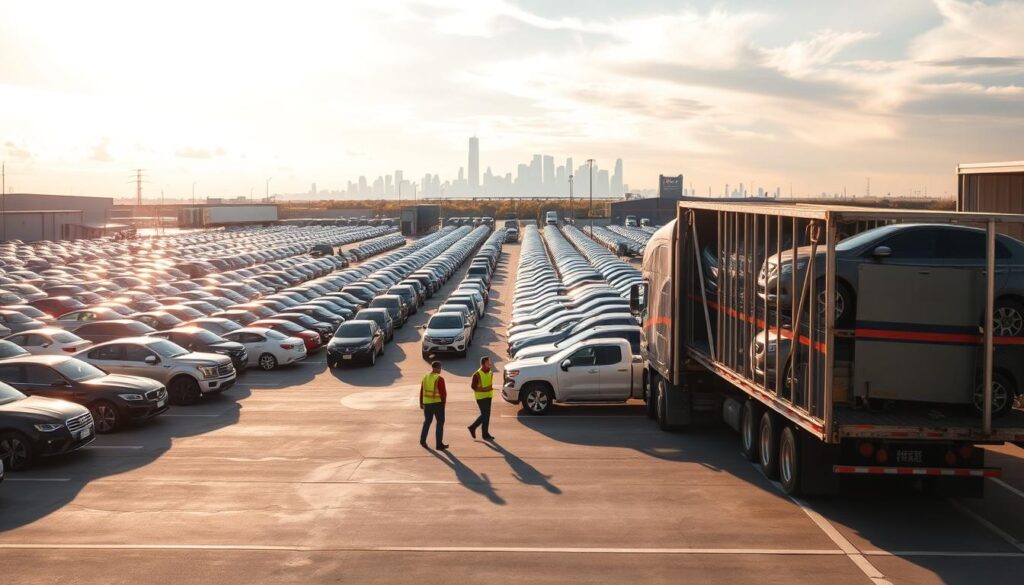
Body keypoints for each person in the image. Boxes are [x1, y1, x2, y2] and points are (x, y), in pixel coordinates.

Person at [420, 360, 448, 450]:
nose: (440, 370)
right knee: (440, 423)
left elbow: (422, 390)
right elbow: (443, 393)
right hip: (437, 404)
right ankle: (439, 444)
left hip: (427, 404)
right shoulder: (439, 378)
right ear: (437, 368)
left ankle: (422, 440)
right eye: (440, 368)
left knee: (427, 421)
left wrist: (421, 402)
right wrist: (443, 403)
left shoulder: (425, 376)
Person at [468, 356, 496, 441]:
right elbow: (473, 386)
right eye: (488, 363)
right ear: (483, 364)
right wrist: (482, 390)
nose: (490, 364)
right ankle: (473, 427)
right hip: (480, 397)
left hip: (488, 396)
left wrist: (487, 390)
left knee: (487, 415)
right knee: (485, 415)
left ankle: (485, 434)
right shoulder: (477, 374)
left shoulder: (490, 372)